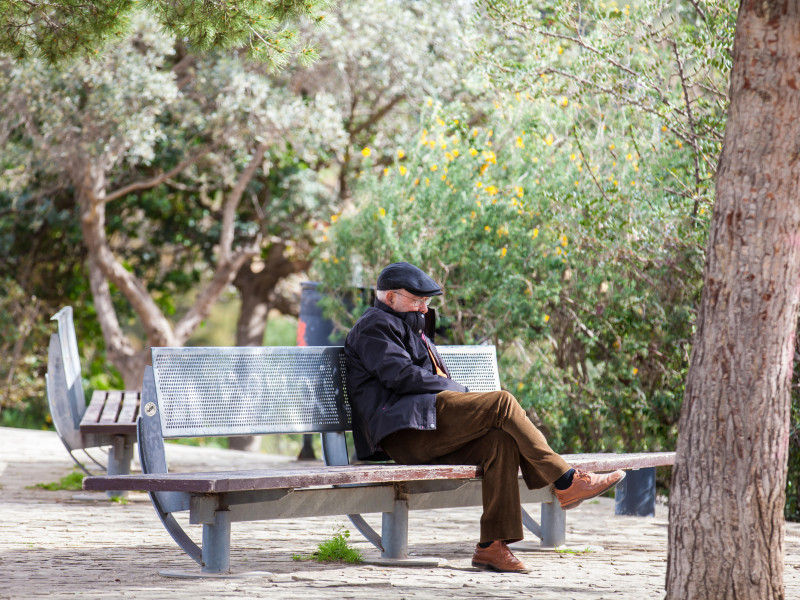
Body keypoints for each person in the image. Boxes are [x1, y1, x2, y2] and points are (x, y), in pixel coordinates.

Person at [344, 261, 625, 574]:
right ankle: (566, 481)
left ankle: (493, 546)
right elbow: (401, 376)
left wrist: (455, 394)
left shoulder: (409, 324)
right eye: (417, 300)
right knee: (501, 403)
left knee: (500, 441)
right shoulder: (374, 326)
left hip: (428, 423)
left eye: (427, 302)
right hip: (404, 432)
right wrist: (458, 391)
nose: (424, 309)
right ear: (391, 298)